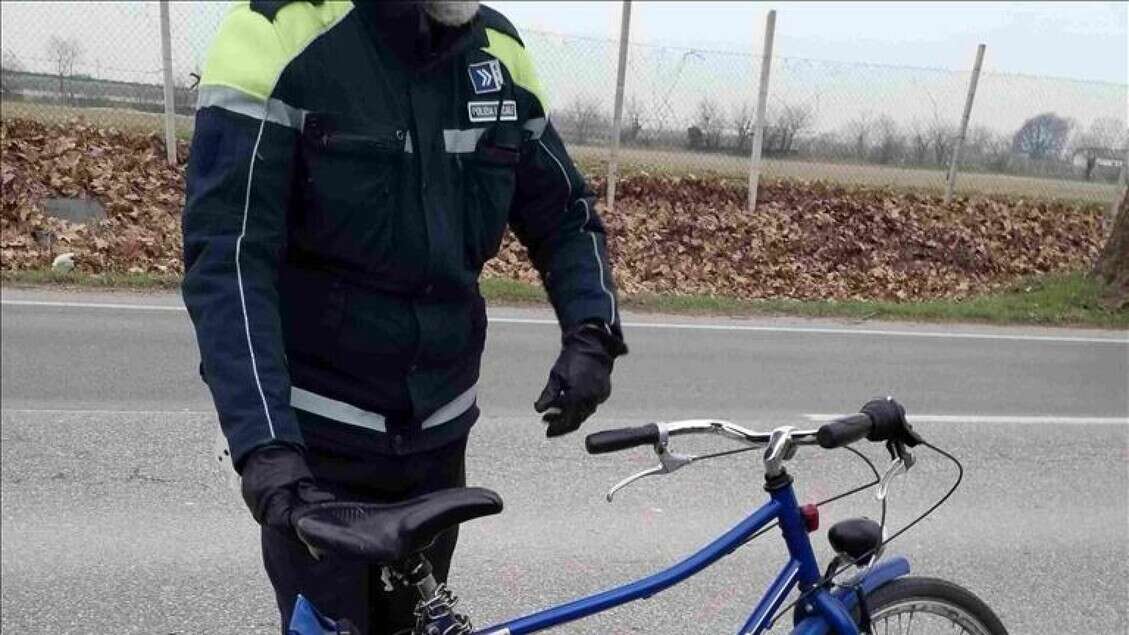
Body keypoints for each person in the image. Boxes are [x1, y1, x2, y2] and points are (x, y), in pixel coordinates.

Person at [181, 1, 627, 632]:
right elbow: (228, 258)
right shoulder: (277, 36)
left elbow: (563, 214)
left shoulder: (497, 51)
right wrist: (266, 449)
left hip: (439, 444)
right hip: (319, 459)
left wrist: (592, 330)